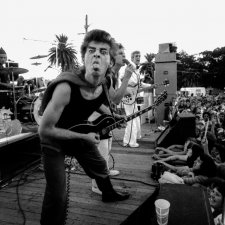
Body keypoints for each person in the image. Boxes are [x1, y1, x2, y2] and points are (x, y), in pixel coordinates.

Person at [38, 29, 131, 225]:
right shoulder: (66, 87)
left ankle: (108, 193)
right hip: (53, 139)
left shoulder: (104, 84)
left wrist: (113, 116)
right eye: (91, 50)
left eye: (103, 51)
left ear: (111, 63)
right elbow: (44, 130)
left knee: (100, 166)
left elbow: (96, 100)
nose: (96, 54)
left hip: (79, 131)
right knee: (58, 195)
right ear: (84, 58)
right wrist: (83, 137)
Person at [89, 42, 134, 194]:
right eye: (121, 53)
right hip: (95, 118)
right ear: (113, 58)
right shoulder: (106, 75)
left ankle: (105, 172)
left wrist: (114, 115)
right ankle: (96, 185)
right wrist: (127, 77)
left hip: (104, 116)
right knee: (100, 152)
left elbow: (111, 100)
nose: (125, 56)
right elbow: (114, 99)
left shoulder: (113, 75)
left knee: (106, 148)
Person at [122, 50, 157, 148]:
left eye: (139, 56)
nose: (138, 57)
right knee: (131, 119)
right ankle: (129, 142)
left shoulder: (136, 71)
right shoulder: (129, 68)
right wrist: (147, 87)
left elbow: (139, 84)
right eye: (136, 56)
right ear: (132, 58)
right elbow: (130, 83)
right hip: (129, 97)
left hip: (133, 97)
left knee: (136, 118)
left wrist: (151, 85)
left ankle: (136, 137)